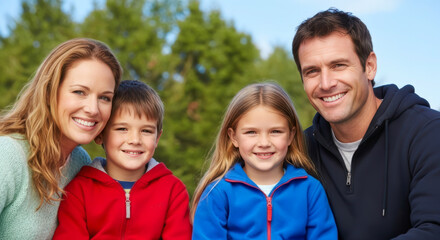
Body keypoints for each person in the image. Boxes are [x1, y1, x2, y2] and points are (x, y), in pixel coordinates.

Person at [291, 8, 440, 239]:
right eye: (312, 71)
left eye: (338, 65)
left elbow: (433, 230)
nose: (326, 83)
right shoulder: (300, 152)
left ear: (369, 66)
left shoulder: (428, 133)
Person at [0, 38, 121, 239]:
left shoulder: (79, 162)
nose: (93, 109)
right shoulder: (7, 155)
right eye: (79, 92)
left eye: (104, 98)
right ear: (49, 92)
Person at [191, 82, 337, 239]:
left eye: (275, 131)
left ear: (291, 135)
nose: (264, 143)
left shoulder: (310, 190)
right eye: (251, 132)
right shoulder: (217, 194)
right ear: (234, 137)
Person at [53, 80, 192, 239]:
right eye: (122, 129)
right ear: (100, 134)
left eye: (146, 131)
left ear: (157, 138)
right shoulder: (79, 191)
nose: (135, 140)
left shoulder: (172, 191)